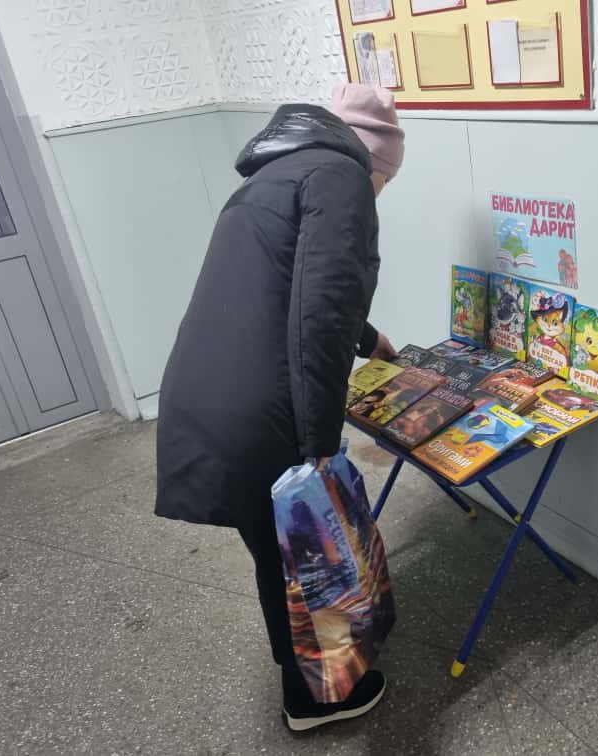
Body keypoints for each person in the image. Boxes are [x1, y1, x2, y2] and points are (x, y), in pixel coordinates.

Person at [154, 83, 405, 731]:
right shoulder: (343, 178)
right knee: (300, 553)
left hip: (206, 393)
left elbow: (294, 288)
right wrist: (319, 452)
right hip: (259, 409)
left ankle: (307, 683)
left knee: (277, 551)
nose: (381, 194)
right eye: (387, 181)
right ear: (373, 161)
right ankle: (316, 698)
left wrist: (369, 340)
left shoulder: (277, 172)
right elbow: (318, 314)